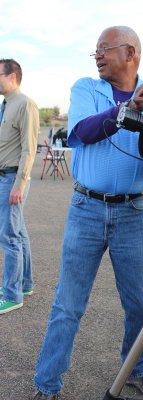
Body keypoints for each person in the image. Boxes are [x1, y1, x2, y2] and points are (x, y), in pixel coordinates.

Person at [33, 26, 143, 400]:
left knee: (141, 304)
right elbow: (82, 131)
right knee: (68, 304)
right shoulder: (86, 88)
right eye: (95, 51)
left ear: (130, 53)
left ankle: (138, 370)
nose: (97, 56)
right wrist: (127, 110)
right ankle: (47, 385)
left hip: (136, 212)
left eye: (103, 49)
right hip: (86, 208)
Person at [0, 59, 39, 314]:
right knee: (19, 232)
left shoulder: (25, 103)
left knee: (9, 236)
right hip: (5, 177)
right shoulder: (6, 104)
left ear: (12, 75)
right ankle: (24, 284)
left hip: (12, 179)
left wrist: (19, 185)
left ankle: (12, 294)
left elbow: (29, 148)